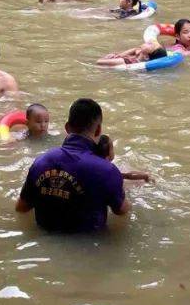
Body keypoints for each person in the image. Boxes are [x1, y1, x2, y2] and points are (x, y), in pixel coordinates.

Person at [15, 97, 130, 232]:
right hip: (89, 246)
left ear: (67, 127)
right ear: (98, 130)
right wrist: (122, 189)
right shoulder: (107, 170)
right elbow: (121, 211)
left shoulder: (42, 161)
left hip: (45, 238)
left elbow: (21, 208)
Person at [97, 38, 168, 67]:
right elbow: (120, 55)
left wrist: (106, 57)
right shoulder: (138, 56)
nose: (150, 41)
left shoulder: (126, 61)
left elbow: (99, 62)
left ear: (146, 57)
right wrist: (139, 51)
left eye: (150, 44)